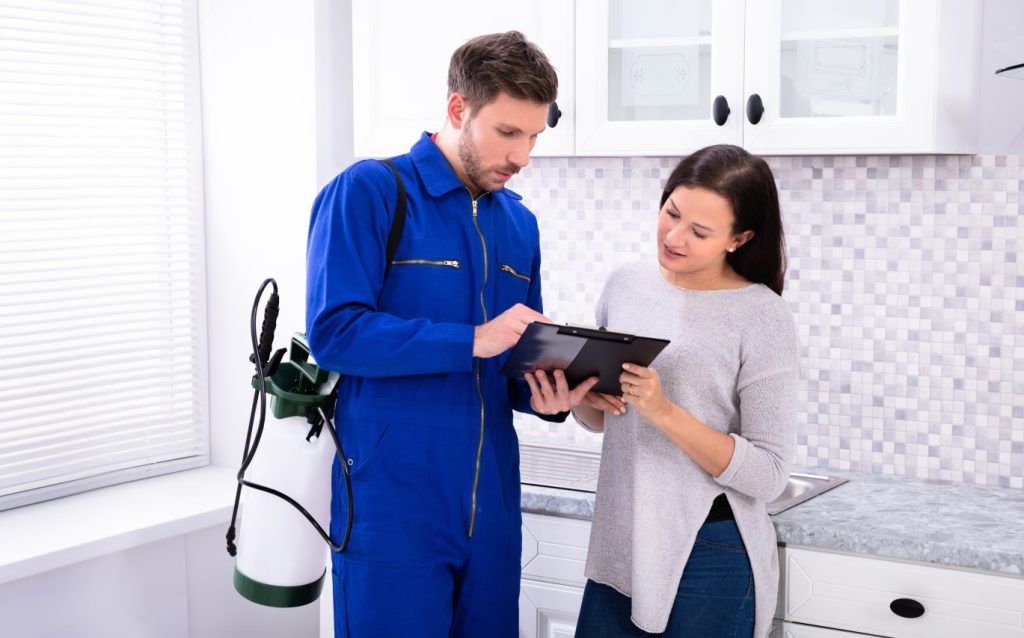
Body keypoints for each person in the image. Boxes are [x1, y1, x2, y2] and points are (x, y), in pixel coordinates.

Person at [305, 31, 596, 638]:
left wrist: (550, 395)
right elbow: (335, 332)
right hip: (391, 511)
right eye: (508, 132)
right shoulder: (371, 191)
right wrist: (471, 339)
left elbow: (510, 365)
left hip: (491, 517)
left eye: (535, 136)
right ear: (458, 109)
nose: (522, 158)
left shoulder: (520, 224)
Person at [565, 144, 799, 638]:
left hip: (710, 549)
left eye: (700, 231)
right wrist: (582, 398)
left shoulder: (762, 315)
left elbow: (770, 474)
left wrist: (664, 411)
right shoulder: (625, 285)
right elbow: (605, 419)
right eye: (671, 213)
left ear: (740, 238)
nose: (674, 237)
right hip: (622, 538)